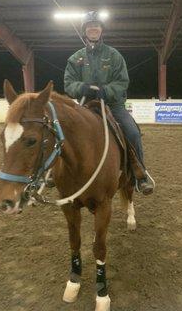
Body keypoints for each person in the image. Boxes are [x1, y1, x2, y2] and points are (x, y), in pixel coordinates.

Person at [64, 11, 155, 195]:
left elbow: (122, 82)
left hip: (113, 105)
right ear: (85, 31)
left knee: (132, 132)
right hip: (86, 105)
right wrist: (83, 88)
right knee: (62, 131)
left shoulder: (114, 56)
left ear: (101, 30)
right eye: (90, 27)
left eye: (96, 26)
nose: (93, 29)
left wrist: (107, 91)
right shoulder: (75, 59)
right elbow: (68, 83)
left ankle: (140, 175)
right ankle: (53, 174)